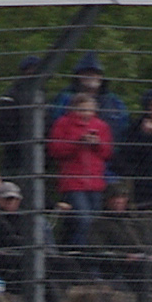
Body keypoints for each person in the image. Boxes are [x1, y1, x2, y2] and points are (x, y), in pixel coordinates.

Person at [49, 91, 114, 246]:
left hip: (95, 182)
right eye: (82, 109)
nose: (86, 113)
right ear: (73, 109)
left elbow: (108, 153)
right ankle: (78, 252)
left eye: (89, 109)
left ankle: (87, 255)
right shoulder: (62, 124)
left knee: (94, 222)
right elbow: (55, 149)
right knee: (83, 219)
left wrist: (97, 143)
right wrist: (77, 143)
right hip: (73, 182)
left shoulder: (101, 126)